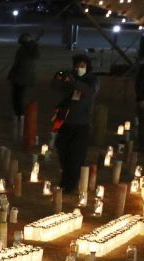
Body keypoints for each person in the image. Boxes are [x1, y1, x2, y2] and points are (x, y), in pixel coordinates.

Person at [51, 54, 99, 195]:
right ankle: (65, 180)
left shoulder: (92, 80)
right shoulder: (70, 78)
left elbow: (89, 92)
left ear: (88, 67)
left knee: (76, 156)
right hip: (65, 123)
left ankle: (71, 184)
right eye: (77, 66)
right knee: (62, 152)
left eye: (82, 66)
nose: (79, 68)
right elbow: (55, 87)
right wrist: (58, 78)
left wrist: (73, 82)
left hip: (81, 125)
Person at [7, 33, 40, 137]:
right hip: (19, 76)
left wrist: (33, 43)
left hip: (22, 77)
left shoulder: (31, 49)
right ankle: (18, 114)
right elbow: (17, 63)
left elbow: (35, 55)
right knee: (16, 96)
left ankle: (20, 115)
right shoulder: (24, 49)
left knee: (19, 96)